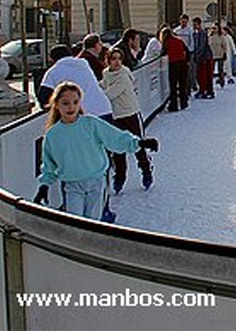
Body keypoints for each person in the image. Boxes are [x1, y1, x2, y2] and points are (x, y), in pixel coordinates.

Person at [33, 82, 158, 221]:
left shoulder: (90, 123)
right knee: (75, 222)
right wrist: (44, 185)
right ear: (56, 104)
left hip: (96, 182)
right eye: (65, 103)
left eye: (75, 102)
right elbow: (48, 163)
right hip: (72, 185)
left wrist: (139, 142)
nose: (71, 107)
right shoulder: (53, 135)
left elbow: (115, 137)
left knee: (93, 222)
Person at [100, 49, 153, 193]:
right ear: (108, 60)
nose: (117, 62)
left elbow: (109, 94)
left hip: (130, 114)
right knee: (118, 149)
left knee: (138, 146)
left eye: (119, 59)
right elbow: (102, 86)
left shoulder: (124, 76)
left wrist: (95, 93)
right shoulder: (106, 74)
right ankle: (120, 178)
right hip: (116, 117)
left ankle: (146, 171)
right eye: (113, 59)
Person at [37, 45, 114, 121]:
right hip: (104, 108)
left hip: (83, 114)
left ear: (52, 59)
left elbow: (44, 95)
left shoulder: (54, 71)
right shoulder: (84, 65)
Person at [160, 26, 189, 112]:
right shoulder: (179, 40)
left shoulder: (167, 42)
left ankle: (174, 105)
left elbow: (163, 53)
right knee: (182, 84)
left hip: (173, 64)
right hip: (183, 63)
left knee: (173, 86)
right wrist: (187, 61)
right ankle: (184, 102)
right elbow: (187, 50)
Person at [173, 13, 196, 90]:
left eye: (185, 22)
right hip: (179, 53)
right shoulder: (176, 30)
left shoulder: (190, 30)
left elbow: (191, 42)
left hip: (188, 53)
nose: (184, 23)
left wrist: (189, 51)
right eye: (182, 21)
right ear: (180, 21)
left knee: (189, 71)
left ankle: (189, 87)